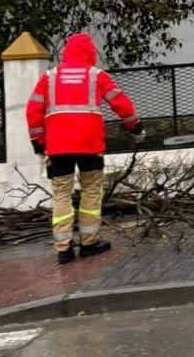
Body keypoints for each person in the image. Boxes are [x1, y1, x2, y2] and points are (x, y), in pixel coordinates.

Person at [26, 33, 144, 264]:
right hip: (89, 144)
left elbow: (33, 111)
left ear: (67, 52)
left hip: (58, 146)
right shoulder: (96, 75)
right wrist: (135, 127)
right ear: (90, 52)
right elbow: (120, 102)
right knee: (91, 190)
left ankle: (63, 247)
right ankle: (89, 242)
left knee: (61, 193)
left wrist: (38, 141)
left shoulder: (48, 77)